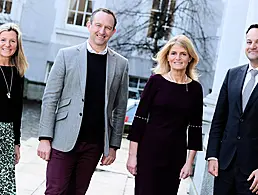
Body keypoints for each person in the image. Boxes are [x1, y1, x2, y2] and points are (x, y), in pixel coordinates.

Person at [37, 8, 128, 195]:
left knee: (77, 192)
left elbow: (120, 109)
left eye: (108, 28)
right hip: (63, 139)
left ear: (113, 32)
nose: (102, 31)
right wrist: (45, 138)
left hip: (94, 143)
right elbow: (50, 98)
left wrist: (113, 146)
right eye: (98, 25)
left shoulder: (121, 64)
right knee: (55, 191)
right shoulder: (66, 55)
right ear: (89, 26)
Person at [126, 35, 203, 195]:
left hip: (175, 155)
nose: (178, 58)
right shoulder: (155, 82)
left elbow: (195, 128)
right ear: (167, 57)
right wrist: (132, 156)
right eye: (173, 53)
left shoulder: (195, 89)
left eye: (183, 54)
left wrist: (189, 163)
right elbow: (139, 119)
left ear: (190, 58)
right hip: (149, 152)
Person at [206, 24, 258, 195]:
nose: (253, 46)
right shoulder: (232, 75)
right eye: (249, 41)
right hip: (224, 166)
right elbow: (218, 120)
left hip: (253, 174)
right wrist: (212, 155)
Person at [0, 23, 28, 194]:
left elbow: (17, 111)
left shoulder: (19, 73)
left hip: (7, 134)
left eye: (12, 41)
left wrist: (16, 142)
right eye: (3, 40)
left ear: (18, 45)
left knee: (5, 186)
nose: (7, 45)